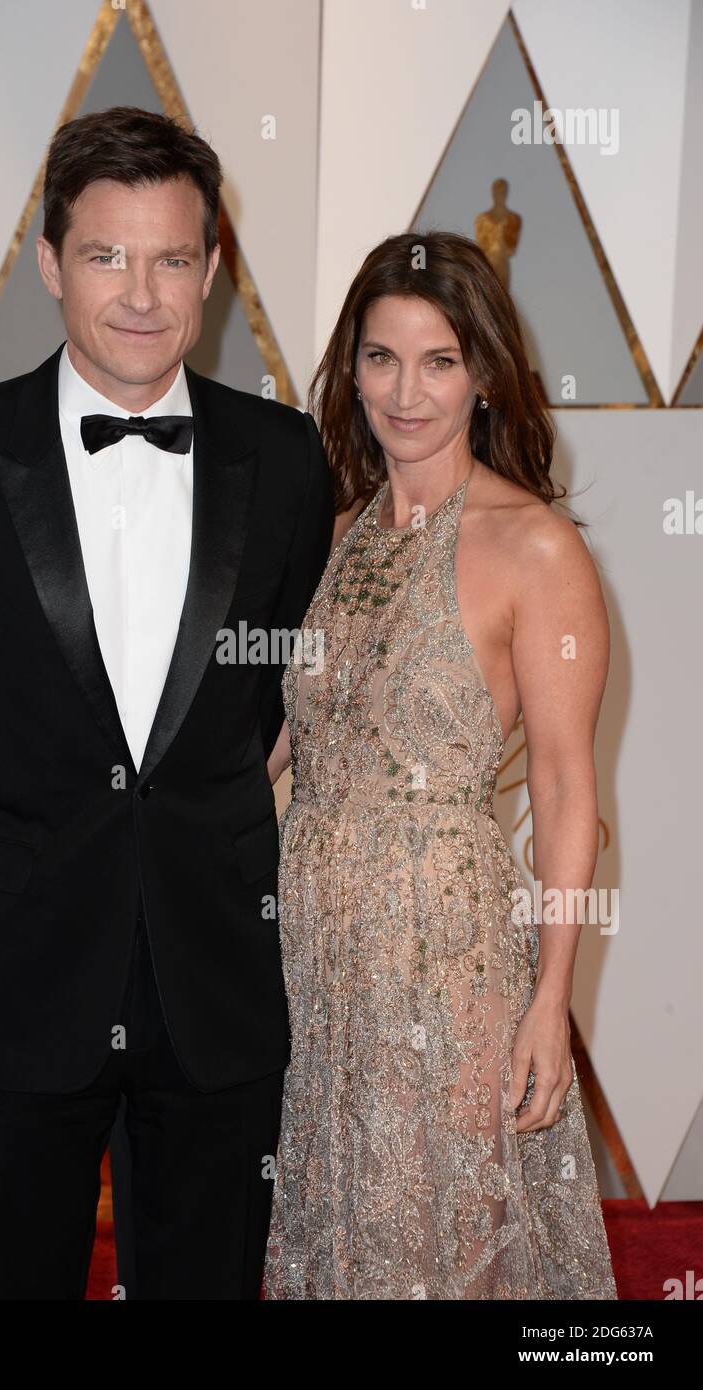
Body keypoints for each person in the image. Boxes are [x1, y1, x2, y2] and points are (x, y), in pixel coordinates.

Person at [0, 105, 333, 1300]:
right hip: (10, 972)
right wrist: (17, 842)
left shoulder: (283, 460)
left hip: (214, 976)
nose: (140, 293)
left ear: (214, 269)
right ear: (47, 263)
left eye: (172, 257)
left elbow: (279, 689)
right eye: (105, 255)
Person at [263, 230, 618, 1299]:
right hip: (312, 957)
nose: (404, 391)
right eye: (380, 358)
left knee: (437, 1246)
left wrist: (550, 998)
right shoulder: (326, 539)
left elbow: (563, 789)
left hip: (447, 956)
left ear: (486, 376)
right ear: (350, 368)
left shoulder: (536, 547)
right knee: (337, 1224)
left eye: (438, 361)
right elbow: (270, 745)